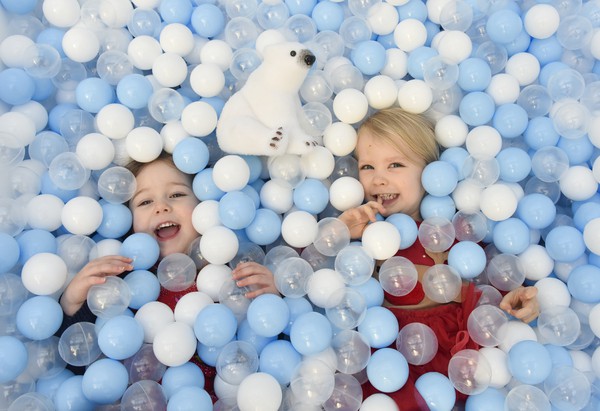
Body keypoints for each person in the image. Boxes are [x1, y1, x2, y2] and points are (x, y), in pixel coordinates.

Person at [338, 107, 539, 409]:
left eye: (395, 164)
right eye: (367, 167)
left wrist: (515, 300)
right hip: (390, 357)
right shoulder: (362, 233)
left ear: (431, 172)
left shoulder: (451, 231)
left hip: (454, 351)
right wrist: (341, 234)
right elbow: (322, 281)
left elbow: (485, 280)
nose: (378, 179)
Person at [58, 151, 278, 398]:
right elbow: (79, 359)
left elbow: (271, 345)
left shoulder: (233, 273)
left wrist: (273, 297)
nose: (162, 207)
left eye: (177, 194)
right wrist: (73, 303)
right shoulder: (122, 284)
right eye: (144, 202)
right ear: (128, 223)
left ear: (206, 205)